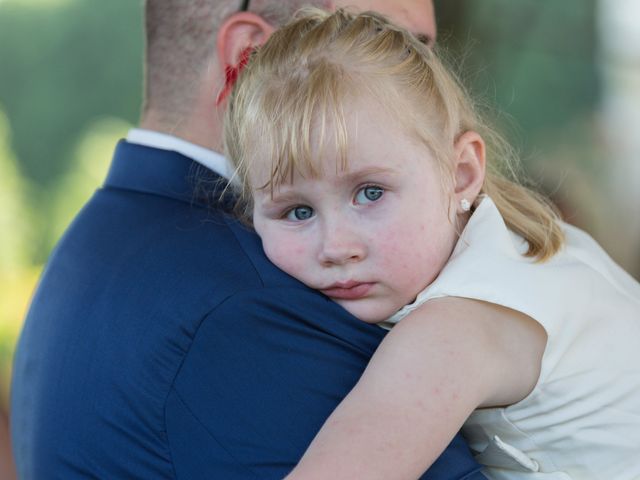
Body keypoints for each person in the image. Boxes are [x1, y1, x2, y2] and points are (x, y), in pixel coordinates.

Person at [10, 1, 485, 479]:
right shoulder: (249, 305)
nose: (427, 80)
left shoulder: (99, 243)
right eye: (387, 40)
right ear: (251, 53)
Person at [225, 8, 640, 479]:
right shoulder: (536, 242)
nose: (336, 246)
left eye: (370, 193)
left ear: (461, 172)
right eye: (297, 212)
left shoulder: (453, 330)